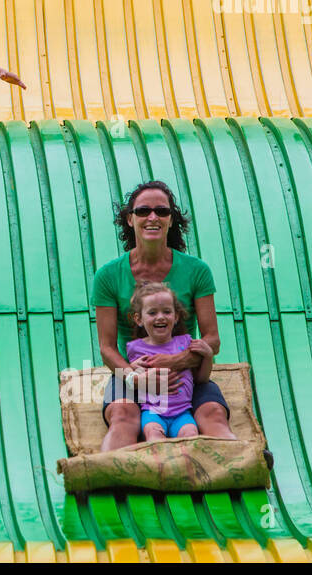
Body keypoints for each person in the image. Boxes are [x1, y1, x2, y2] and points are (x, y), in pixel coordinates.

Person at [91, 180, 237, 451]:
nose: (153, 217)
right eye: (143, 211)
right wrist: (137, 377)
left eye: (162, 211)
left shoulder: (196, 270)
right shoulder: (108, 276)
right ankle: (107, 471)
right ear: (130, 219)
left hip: (187, 375)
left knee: (213, 413)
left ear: (171, 220)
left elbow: (212, 339)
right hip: (134, 371)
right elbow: (107, 347)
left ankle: (244, 461)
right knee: (123, 416)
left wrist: (176, 361)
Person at [125, 282, 209, 441]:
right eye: (152, 312)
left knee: (191, 436)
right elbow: (132, 379)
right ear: (139, 319)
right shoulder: (135, 348)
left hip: (183, 412)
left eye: (167, 311)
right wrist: (132, 368)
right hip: (152, 411)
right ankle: (160, 465)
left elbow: (201, 379)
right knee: (154, 434)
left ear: (176, 316)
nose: (160, 317)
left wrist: (208, 357)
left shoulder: (185, 343)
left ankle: (185, 464)